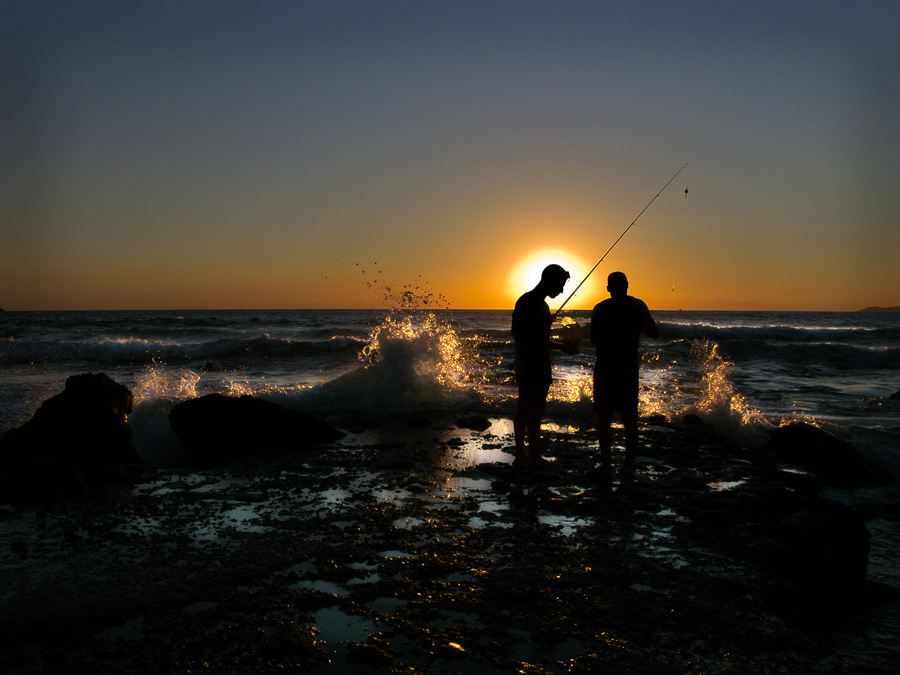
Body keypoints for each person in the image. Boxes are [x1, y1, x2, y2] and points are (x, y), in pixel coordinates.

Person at [590, 271, 659, 477]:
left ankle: (606, 463)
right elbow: (654, 333)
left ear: (608, 288)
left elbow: (593, 338)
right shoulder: (637, 306)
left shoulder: (600, 308)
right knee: (629, 418)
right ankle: (628, 464)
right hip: (628, 367)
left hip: (604, 366)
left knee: (604, 417)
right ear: (627, 285)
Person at [512, 264, 579, 466]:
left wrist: (544, 323)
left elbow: (519, 333)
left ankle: (521, 455)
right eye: (560, 285)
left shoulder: (525, 300)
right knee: (534, 410)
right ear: (550, 282)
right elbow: (536, 339)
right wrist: (562, 347)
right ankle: (531, 456)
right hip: (536, 363)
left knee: (524, 407)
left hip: (523, 361)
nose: (561, 291)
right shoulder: (538, 305)